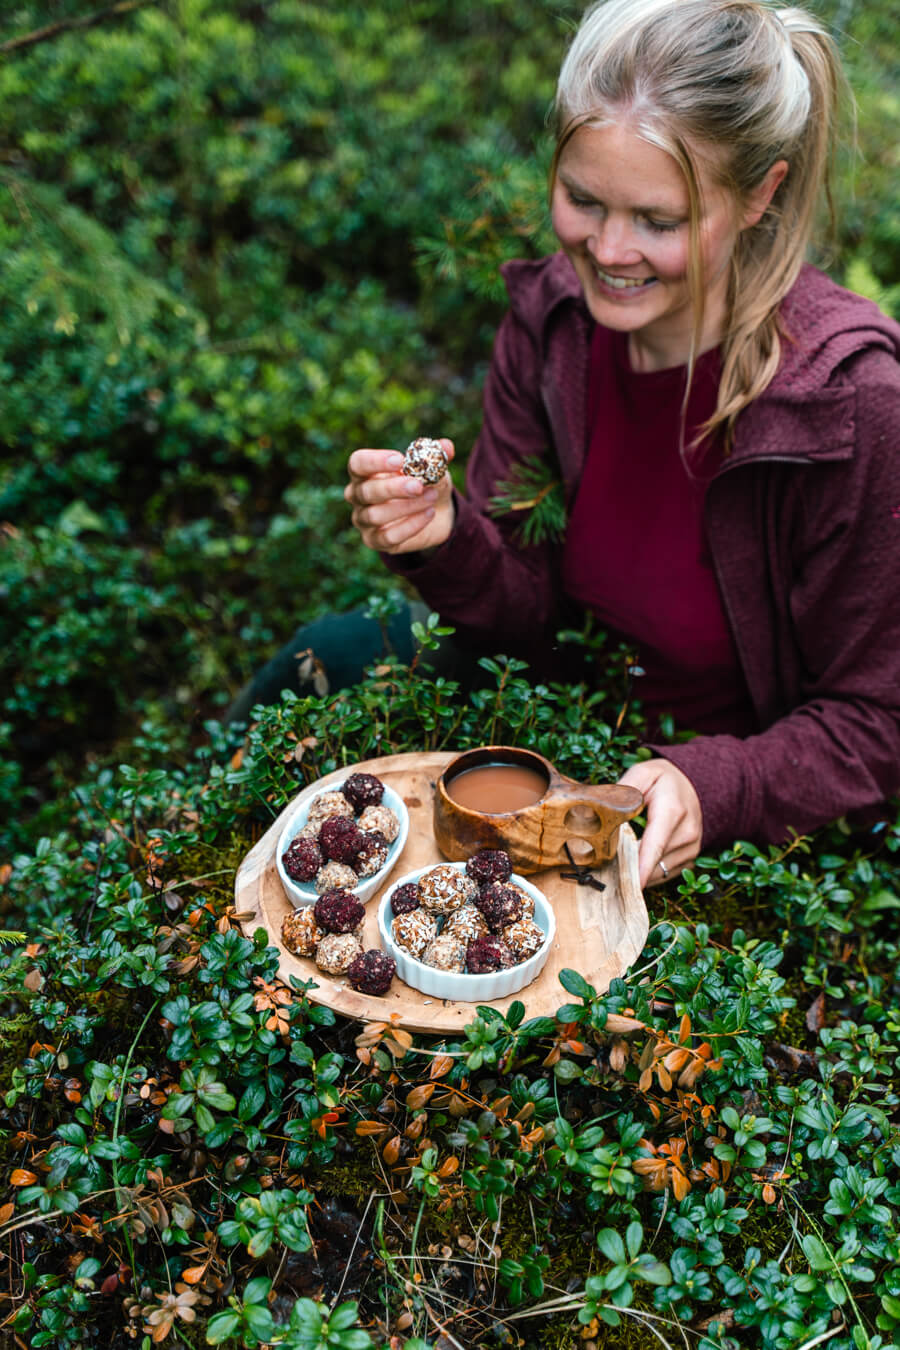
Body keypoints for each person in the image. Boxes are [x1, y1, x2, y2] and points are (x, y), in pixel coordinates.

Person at [236, 0, 900, 888]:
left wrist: (713, 785)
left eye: (658, 220)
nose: (608, 250)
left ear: (761, 194)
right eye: (583, 199)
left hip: (720, 800)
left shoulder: (849, 404)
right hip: (554, 719)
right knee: (329, 654)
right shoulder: (555, 323)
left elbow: (878, 720)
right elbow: (524, 613)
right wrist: (447, 538)